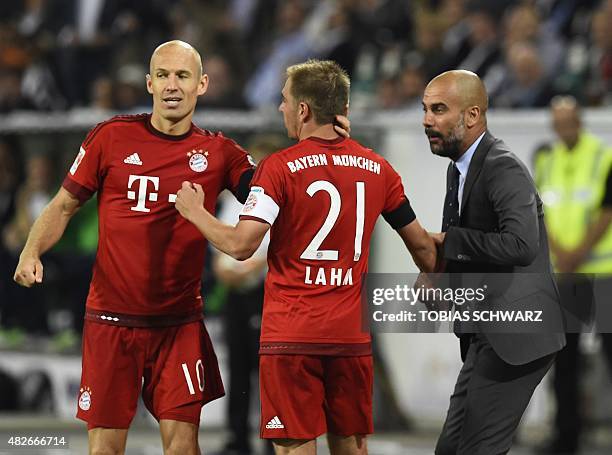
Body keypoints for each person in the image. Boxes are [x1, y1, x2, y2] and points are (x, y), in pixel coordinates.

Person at [175, 59, 437, 455]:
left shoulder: (277, 169)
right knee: (352, 446)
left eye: (284, 101)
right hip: (350, 337)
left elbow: (242, 245)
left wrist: (196, 212)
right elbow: (421, 244)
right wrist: (430, 273)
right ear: (343, 110)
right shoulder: (378, 168)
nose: (280, 109)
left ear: (303, 110)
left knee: (295, 446)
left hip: (292, 338)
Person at [12, 40, 252, 455]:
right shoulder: (111, 137)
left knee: (182, 446)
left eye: (182, 76)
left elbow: (274, 193)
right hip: (111, 322)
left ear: (203, 84)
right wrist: (31, 250)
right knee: (105, 447)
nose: (172, 85)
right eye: (163, 75)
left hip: (178, 324)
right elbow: (64, 204)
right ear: (149, 83)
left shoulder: (220, 153)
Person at [423, 70, 566, 454]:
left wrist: (449, 242)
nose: (427, 121)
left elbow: (521, 245)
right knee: (451, 449)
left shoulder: (502, 166)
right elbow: (471, 247)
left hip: (518, 334)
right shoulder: (460, 169)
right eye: (425, 110)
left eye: (439, 109)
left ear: (472, 115)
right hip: (488, 331)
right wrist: (441, 276)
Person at [535, 96, 612, 455]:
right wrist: (560, 253)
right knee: (564, 360)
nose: (562, 127)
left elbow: (606, 212)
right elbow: (539, 210)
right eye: (557, 121)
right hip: (565, 276)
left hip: (603, 274)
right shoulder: (546, 160)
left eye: (568, 120)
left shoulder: (602, 157)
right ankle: (566, 439)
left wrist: (577, 252)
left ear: (579, 121)